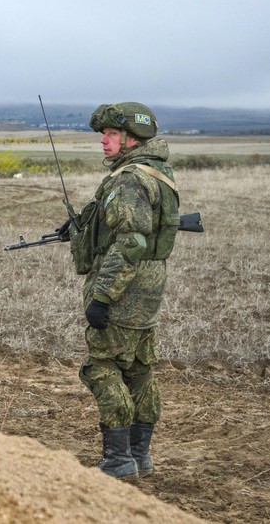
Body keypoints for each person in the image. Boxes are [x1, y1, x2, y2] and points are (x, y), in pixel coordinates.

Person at [59, 102, 179, 478]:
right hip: (148, 291)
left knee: (103, 368)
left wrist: (102, 296)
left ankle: (117, 459)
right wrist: (82, 227)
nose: (103, 140)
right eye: (104, 134)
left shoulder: (129, 180)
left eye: (111, 134)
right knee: (140, 371)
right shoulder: (157, 171)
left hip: (124, 292)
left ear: (131, 138)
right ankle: (139, 456)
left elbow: (131, 243)